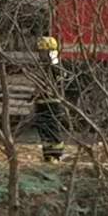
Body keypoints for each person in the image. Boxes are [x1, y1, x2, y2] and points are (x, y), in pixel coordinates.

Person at [32, 33, 67, 162]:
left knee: (52, 128)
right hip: (41, 102)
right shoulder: (43, 67)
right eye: (40, 52)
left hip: (52, 103)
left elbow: (55, 85)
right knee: (43, 129)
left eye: (43, 52)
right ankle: (48, 154)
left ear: (51, 52)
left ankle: (57, 155)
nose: (41, 55)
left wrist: (42, 90)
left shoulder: (56, 67)